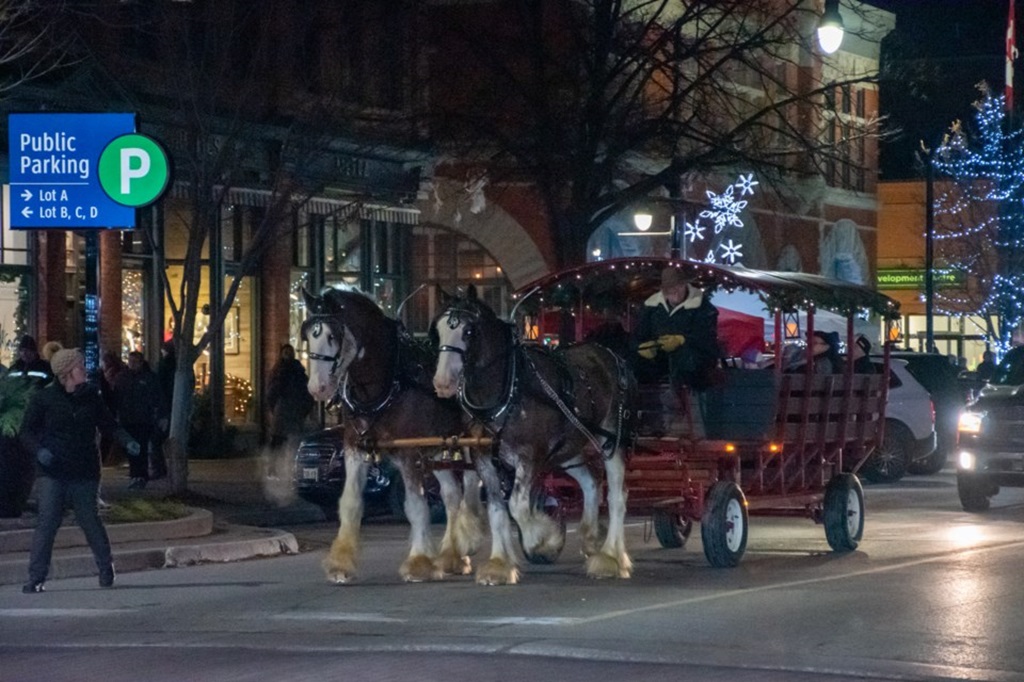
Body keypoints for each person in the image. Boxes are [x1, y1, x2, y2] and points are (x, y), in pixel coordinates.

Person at [19, 348, 140, 593]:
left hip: (84, 470)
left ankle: (106, 568)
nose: (84, 370)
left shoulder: (91, 397)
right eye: (79, 367)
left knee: (89, 520)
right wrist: (39, 451)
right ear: (66, 374)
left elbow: (108, 425)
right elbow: (26, 431)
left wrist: (127, 441)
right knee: (48, 522)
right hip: (53, 470)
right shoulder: (44, 399)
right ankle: (36, 577)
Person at [632, 267, 719, 436]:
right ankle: (647, 417)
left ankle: (688, 414)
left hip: (694, 361)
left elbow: (707, 338)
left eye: (678, 288)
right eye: (671, 290)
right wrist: (643, 347)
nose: (675, 293)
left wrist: (682, 340)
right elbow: (639, 335)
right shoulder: (651, 307)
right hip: (659, 360)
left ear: (685, 285)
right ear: (664, 291)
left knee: (686, 360)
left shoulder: (703, 307)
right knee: (635, 363)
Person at [114, 351, 162, 490]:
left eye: (135, 362)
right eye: (130, 361)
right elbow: (117, 397)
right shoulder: (122, 377)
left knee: (141, 447)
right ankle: (135, 474)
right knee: (130, 448)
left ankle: (140, 475)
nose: (132, 364)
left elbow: (156, 397)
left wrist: (158, 414)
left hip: (143, 419)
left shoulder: (148, 378)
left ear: (141, 363)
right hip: (127, 418)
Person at [265, 344, 314, 475]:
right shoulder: (278, 371)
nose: (287, 355)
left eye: (289, 352)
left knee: (293, 441)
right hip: (283, 407)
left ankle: (292, 468)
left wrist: (305, 408)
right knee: (278, 440)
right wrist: (274, 407)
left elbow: (306, 390)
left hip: (294, 408)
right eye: (285, 352)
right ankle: (273, 467)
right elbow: (271, 391)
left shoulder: (297, 370)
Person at [151, 341, 176, 481]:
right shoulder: (179, 365)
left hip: (164, 408)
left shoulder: (163, 366)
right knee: (166, 439)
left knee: (155, 440)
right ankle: (170, 469)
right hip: (173, 406)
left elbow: (159, 388)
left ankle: (159, 469)